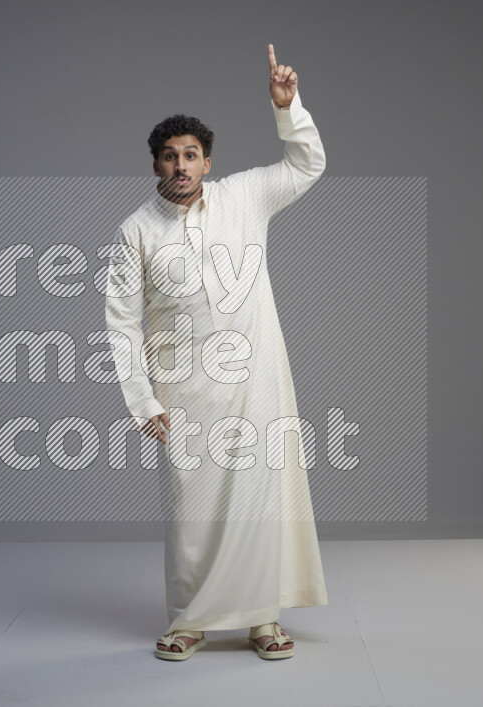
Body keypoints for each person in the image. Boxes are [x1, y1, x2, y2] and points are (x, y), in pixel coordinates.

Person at [104, 43, 328, 660]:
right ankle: (189, 621)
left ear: (208, 161)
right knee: (192, 511)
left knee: (259, 501)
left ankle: (263, 620)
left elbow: (308, 164)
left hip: (257, 380)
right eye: (170, 156)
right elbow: (120, 323)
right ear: (155, 164)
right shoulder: (135, 231)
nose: (181, 165)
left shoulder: (244, 196)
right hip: (183, 390)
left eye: (191, 155)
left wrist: (287, 108)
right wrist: (142, 401)